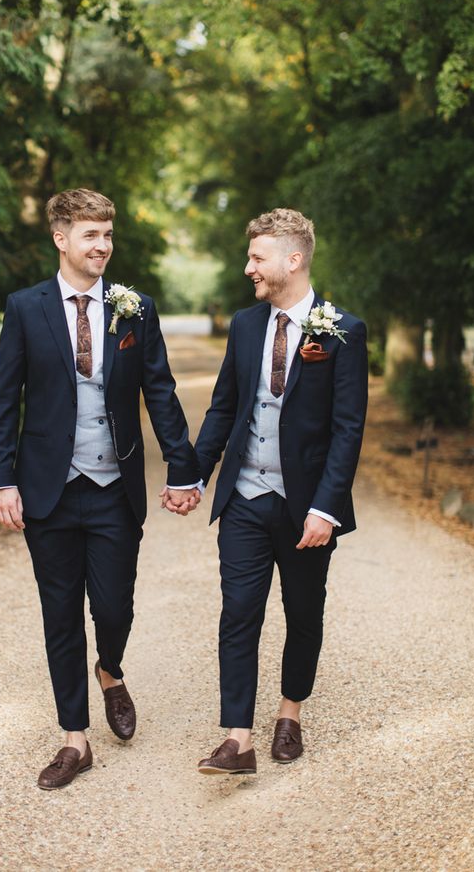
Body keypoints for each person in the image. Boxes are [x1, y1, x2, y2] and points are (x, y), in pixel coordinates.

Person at [0, 188, 201, 790]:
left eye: (108, 235)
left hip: (113, 486)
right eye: (91, 235)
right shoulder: (26, 308)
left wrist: (183, 467)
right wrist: (2, 479)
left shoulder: (134, 309)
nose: (103, 246)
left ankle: (110, 668)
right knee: (60, 614)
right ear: (61, 238)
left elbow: (159, 391)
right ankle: (74, 740)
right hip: (48, 488)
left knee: (113, 605)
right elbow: (6, 399)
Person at [189, 208, 367, 775]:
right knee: (238, 612)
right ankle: (237, 737)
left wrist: (326, 508)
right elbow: (224, 408)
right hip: (244, 497)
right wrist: (192, 474)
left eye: (258, 257)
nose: (249, 268)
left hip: (306, 507)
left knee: (303, 612)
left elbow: (348, 429)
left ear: (293, 260)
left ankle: (290, 712)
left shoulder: (343, 329)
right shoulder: (244, 326)